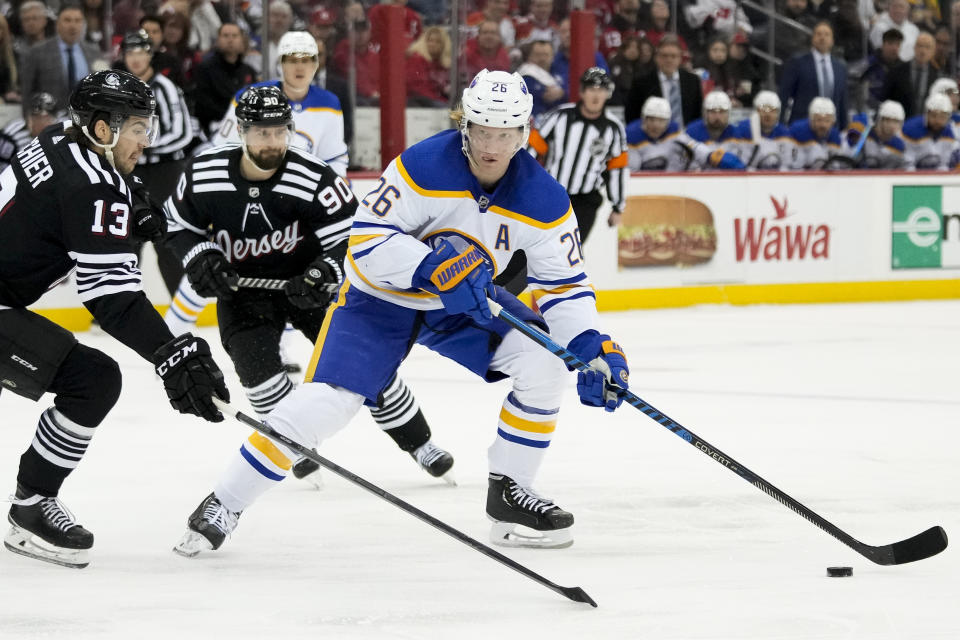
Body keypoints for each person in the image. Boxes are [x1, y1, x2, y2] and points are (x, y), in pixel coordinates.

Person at [172, 69, 632, 556]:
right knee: (329, 401)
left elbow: (564, 285)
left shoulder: (545, 199)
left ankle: (510, 493)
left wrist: (587, 345)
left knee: (544, 362)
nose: (491, 146)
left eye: (505, 134)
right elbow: (364, 243)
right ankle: (226, 501)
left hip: (462, 305)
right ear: (464, 125)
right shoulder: (423, 166)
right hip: (379, 300)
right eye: (481, 131)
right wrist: (430, 267)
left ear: (524, 133)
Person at [162, 86, 453, 514]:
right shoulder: (204, 173)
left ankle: (419, 441)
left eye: (279, 132)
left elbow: (355, 238)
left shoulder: (315, 177)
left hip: (310, 289)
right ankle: (293, 446)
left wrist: (324, 271)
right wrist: (199, 255)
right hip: (242, 294)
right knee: (258, 377)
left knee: (364, 366)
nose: (271, 142)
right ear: (241, 131)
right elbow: (175, 224)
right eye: (261, 133)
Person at [0, 70, 229, 568]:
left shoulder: (59, 134)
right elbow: (110, 297)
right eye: (139, 129)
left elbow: (91, 187)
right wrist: (170, 353)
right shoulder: (91, 187)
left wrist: (135, 206)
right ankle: (31, 506)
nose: (146, 142)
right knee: (93, 379)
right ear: (104, 129)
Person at [175, 31, 348, 345]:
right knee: (212, 268)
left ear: (316, 64)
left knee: (296, 278)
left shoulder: (330, 104)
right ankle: (171, 335)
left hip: (295, 205)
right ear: (279, 63)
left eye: (307, 60)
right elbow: (222, 147)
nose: (300, 67)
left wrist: (325, 199)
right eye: (292, 59)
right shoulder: (252, 96)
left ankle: (283, 350)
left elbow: (334, 159)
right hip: (239, 199)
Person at [527, 67, 627, 243]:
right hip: (553, 195)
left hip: (585, 202)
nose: (596, 96)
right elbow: (531, 150)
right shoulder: (559, 116)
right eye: (591, 90)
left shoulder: (614, 128)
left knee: (573, 255)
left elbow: (617, 169)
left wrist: (617, 206)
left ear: (607, 94)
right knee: (541, 247)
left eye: (601, 90)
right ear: (582, 92)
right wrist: (526, 185)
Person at [19, 3, 103, 111]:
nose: (73, 25)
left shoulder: (94, 52)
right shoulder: (37, 52)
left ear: (83, 24)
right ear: (57, 24)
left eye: (77, 20)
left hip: (86, 118)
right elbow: (27, 93)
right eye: (67, 20)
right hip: (51, 120)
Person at [627, 96, 744, 171]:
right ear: (643, 119)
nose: (655, 125)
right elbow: (631, 171)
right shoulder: (632, 137)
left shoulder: (674, 134)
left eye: (661, 120)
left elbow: (695, 148)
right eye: (651, 119)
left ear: (668, 121)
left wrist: (712, 155)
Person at [778, 20, 849, 129]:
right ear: (813, 38)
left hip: (831, 128)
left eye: (826, 34)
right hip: (802, 126)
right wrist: (780, 126)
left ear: (832, 40)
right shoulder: (798, 62)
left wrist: (844, 129)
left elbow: (842, 102)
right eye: (818, 34)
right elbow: (784, 95)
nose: (822, 38)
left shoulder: (840, 67)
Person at [192, 22, 257, 137]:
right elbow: (204, 104)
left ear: (242, 40)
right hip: (214, 128)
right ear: (218, 40)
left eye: (234, 36)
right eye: (225, 36)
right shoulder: (205, 69)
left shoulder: (248, 71)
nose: (230, 40)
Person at [625, 36, 703, 127]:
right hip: (652, 137)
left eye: (673, 56)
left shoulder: (692, 81)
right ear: (656, 58)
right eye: (664, 56)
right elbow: (632, 116)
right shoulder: (641, 83)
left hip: (686, 136)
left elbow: (698, 115)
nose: (669, 60)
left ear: (680, 59)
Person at [882, 31, 940, 118]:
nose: (923, 51)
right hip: (899, 122)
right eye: (920, 46)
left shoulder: (937, 76)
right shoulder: (897, 71)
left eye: (927, 47)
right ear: (914, 47)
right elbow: (886, 98)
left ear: (933, 51)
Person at [731, 90, 794, 170]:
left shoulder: (784, 133)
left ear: (778, 113)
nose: (767, 114)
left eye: (772, 110)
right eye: (763, 109)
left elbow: (788, 166)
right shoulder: (742, 130)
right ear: (756, 111)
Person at [0, 91, 59, 172]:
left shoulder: (52, 135)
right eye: (45, 118)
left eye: (52, 118)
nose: (50, 122)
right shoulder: (12, 136)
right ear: (32, 117)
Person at [901, 93, 959, 170]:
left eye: (942, 117)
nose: (937, 121)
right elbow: (906, 165)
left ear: (948, 117)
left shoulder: (949, 134)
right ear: (926, 114)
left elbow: (943, 165)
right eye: (934, 115)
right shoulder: (910, 130)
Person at [684, 90, 740, 169]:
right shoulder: (691, 132)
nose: (717, 116)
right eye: (712, 112)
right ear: (705, 113)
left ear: (729, 113)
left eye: (722, 112)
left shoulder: (737, 133)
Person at [846, 100, 909, 169]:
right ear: (880, 120)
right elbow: (849, 160)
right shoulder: (863, 136)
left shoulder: (899, 146)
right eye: (887, 120)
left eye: (896, 121)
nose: (891, 125)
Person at [789, 97, 848, 169]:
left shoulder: (835, 135)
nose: (823, 125)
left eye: (827, 121)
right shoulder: (796, 130)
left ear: (833, 121)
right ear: (811, 120)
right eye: (819, 120)